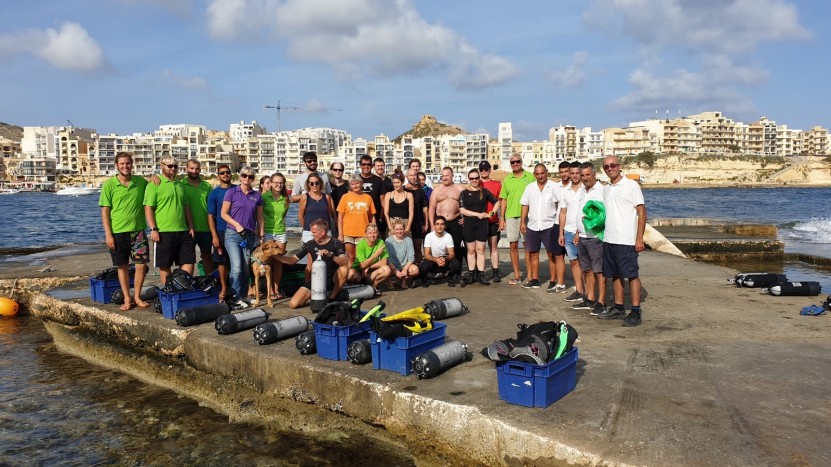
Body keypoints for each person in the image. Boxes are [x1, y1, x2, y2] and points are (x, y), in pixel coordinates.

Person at [597, 156, 647, 327]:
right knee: (614, 275)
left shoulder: (631, 185)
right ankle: (618, 308)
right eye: (606, 166)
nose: (610, 168)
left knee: (631, 274)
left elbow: (642, 212)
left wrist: (639, 238)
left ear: (620, 166)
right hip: (609, 239)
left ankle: (635, 311)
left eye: (613, 165)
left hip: (626, 240)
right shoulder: (606, 189)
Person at [99, 152, 149, 311]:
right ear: (117, 165)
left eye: (128, 163)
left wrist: (155, 177)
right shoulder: (109, 185)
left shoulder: (140, 182)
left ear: (131, 164)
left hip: (138, 232)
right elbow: (105, 212)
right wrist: (108, 234)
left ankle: (137, 296)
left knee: (141, 265)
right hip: (118, 232)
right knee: (123, 266)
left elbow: (155, 189)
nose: (125, 166)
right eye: (122, 164)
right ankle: (127, 299)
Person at [272, 219, 349, 309]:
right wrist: (272, 256)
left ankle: (332, 297)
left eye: (314, 232)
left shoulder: (335, 242)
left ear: (323, 232)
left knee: (344, 269)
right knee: (293, 304)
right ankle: (321, 294)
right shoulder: (310, 244)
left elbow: (345, 262)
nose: (312, 234)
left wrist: (331, 255)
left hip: (332, 278)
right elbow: (292, 260)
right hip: (316, 279)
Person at [144, 156, 195, 286]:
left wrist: (190, 225)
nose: (173, 168)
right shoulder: (154, 184)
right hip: (163, 231)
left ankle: (182, 287)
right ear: (162, 165)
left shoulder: (180, 185)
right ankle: (169, 290)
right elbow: (148, 207)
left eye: (175, 166)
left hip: (183, 230)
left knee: (188, 261)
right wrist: (153, 229)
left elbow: (186, 206)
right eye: (169, 166)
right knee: (165, 265)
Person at [220, 165, 264, 303]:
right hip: (233, 234)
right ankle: (234, 297)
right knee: (237, 266)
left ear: (253, 179)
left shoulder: (257, 196)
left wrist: (261, 236)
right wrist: (237, 225)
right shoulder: (232, 192)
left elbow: (260, 218)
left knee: (245, 267)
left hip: (249, 235)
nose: (247, 178)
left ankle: (244, 295)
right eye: (244, 175)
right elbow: (223, 214)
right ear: (240, 177)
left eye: (250, 176)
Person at [519, 164, 565, 289]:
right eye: (537, 174)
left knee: (551, 254)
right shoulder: (529, 187)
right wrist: (523, 222)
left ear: (547, 173)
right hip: (533, 226)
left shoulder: (554, 187)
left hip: (549, 225)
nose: (540, 176)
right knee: (533, 253)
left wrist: (558, 223)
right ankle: (534, 279)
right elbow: (524, 205)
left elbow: (561, 205)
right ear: (534, 174)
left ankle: (552, 280)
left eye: (542, 173)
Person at [571, 162, 606, 316]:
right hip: (583, 236)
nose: (585, 178)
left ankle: (601, 301)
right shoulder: (583, 191)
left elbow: (604, 214)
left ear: (594, 174)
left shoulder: (602, 190)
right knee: (587, 269)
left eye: (588, 175)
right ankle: (590, 298)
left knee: (599, 271)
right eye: (583, 175)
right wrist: (578, 232)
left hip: (595, 237)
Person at [459, 168, 500, 286]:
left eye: (476, 178)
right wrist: (479, 214)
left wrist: (492, 213)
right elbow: (462, 210)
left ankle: (481, 275)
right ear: (469, 179)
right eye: (472, 178)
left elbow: (497, 202)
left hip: (482, 224)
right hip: (469, 224)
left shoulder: (485, 192)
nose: (474, 180)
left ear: (479, 178)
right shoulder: (464, 193)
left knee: (481, 250)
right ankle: (472, 275)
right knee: (471, 250)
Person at [499, 154, 534, 285]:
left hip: (528, 217)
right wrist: (501, 218)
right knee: (513, 245)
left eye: (517, 161)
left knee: (527, 246)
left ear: (521, 162)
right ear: (510, 164)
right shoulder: (507, 179)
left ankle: (530, 275)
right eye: (513, 162)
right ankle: (517, 275)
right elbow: (504, 200)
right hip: (511, 216)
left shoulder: (530, 177)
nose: (515, 164)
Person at [182, 159, 214, 275]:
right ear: (186, 169)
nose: (194, 171)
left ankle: (210, 281)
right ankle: (187, 284)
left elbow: (213, 206)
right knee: (187, 259)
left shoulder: (206, 186)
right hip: (187, 229)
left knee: (207, 256)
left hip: (205, 227)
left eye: (197, 169)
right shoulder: (180, 185)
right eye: (191, 168)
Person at [337, 173, 376, 267]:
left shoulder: (368, 198)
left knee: (361, 258)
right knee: (350, 257)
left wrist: (374, 230)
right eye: (353, 184)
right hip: (348, 233)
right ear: (350, 186)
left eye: (357, 183)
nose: (355, 186)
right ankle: (349, 278)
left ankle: (361, 278)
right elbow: (340, 217)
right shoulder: (345, 197)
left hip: (363, 234)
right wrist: (340, 234)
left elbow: (372, 216)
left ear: (362, 183)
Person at [262, 172, 291, 300]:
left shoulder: (285, 198)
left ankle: (276, 289)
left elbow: (283, 216)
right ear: (271, 183)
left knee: (278, 261)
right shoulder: (263, 197)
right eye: (276, 182)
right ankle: (269, 290)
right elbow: (259, 215)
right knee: (268, 261)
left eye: (281, 182)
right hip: (267, 232)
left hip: (280, 232)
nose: (278, 185)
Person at [428, 167, 464, 269]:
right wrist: (432, 225)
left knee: (456, 246)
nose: (444, 178)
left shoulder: (460, 189)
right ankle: (442, 269)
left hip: (455, 221)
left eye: (447, 175)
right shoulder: (436, 190)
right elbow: (431, 208)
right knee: (440, 247)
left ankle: (456, 271)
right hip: (440, 222)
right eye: (443, 176)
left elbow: (468, 205)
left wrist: (465, 218)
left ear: (452, 175)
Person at [207, 163, 234, 301]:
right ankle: (224, 287)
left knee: (239, 262)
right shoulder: (214, 194)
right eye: (222, 173)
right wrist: (214, 235)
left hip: (237, 231)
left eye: (227, 172)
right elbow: (210, 215)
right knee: (222, 262)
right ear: (218, 176)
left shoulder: (238, 189)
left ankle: (240, 288)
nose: (225, 175)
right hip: (221, 231)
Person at [559, 161, 585, 300]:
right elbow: (563, 212)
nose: (574, 176)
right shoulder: (565, 190)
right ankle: (579, 290)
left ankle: (588, 292)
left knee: (584, 263)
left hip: (582, 232)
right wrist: (560, 233)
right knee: (573, 261)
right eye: (572, 173)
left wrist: (578, 232)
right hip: (568, 232)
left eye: (577, 173)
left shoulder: (586, 189)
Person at [417, 215, 461, 287]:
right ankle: (425, 279)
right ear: (434, 225)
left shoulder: (448, 236)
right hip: (433, 260)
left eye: (442, 224)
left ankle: (449, 276)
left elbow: (452, 254)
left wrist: (445, 259)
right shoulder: (429, 236)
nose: (439, 226)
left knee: (456, 264)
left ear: (445, 226)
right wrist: (436, 260)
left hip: (444, 259)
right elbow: (426, 254)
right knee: (423, 266)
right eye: (437, 224)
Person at [479, 160, 502, 282]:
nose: (484, 171)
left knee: (493, 246)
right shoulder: (476, 184)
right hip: (480, 221)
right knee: (480, 248)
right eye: (481, 169)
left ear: (489, 170)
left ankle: (495, 273)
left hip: (493, 220)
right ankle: (480, 272)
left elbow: (501, 202)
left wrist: (501, 219)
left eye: (486, 169)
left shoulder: (497, 184)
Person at [347, 223, 390, 289]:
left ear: (378, 234)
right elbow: (362, 265)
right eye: (369, 233)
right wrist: (375, 255)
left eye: (374, 233)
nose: (372, 235)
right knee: (350, 273)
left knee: (386, 269)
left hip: (371, 272)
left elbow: (384, 262)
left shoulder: (380, 242)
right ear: (366, 235)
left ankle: (374, 285)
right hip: (359, 271)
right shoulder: (361, 244)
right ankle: (352, 288)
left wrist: (369, 267)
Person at [298, 173, 335, 244]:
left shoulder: (327, 197)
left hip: (325, 232)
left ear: (320, 184)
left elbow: (328, 214)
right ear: (308, 185)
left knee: (326, 254)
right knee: (310, 254)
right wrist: (307, 228)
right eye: (311, 183)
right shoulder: (305, 198)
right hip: (309, 233)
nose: (314, 185)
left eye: (317, 183)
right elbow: (300, 216)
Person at [385, 217, 419, 288]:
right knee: (386, 269)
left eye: (401, 229)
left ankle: (403, 281)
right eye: (397, 229)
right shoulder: (388, 241)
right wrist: (395, 270)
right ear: (394, 230)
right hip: (392, 265)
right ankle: (389, 282)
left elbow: (411, 258)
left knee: (415, 270)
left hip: (404, 265)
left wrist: (405, 269)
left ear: (404, 229)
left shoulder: (408, 240)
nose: (399, 231)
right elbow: (387, 258)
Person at [404, 168, 429, 264]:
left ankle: (419, 269)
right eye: (411, 175)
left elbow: (425, 208)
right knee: (406, 249)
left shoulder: (420, 191)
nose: (413, 177)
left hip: (418, 223)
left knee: (418, 248)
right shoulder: (403, 190)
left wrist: (426, 223)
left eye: (415, 175)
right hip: (405, 223)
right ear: (407, 177)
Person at [357, 155, 385, 237]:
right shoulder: (356, 178)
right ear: (360, 165)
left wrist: (381, 217)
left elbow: (382, 200)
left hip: (375, 217)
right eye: (364, 164)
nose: (366, 166)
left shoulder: (378, 180)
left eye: (368, 164)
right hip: (360, 216)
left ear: (372, 166)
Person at [329, 162, 349, 238]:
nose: (338, 171)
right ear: (331, 171)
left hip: (345, 217)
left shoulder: (348, 184)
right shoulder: (327, 185)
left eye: (340, 170)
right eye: (335, 169)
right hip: (331, 217)